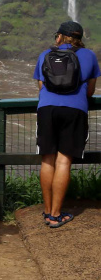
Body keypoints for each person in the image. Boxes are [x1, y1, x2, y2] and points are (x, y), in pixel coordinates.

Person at [33, 21, 100, 228]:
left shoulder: (45, 54)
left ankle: (46, 211)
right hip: (75, 110)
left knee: (47, 160)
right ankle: (55, 215)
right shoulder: (89, 56)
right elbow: (90, 91)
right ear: (79, 38)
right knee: (63, 162)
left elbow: (42, 85)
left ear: (60, 37)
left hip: (47, 109)